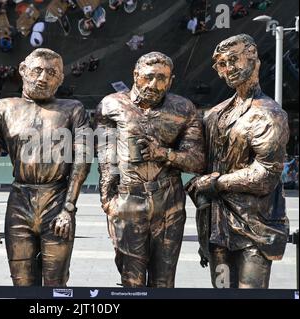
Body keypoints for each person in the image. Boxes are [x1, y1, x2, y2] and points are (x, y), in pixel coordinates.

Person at [0, 48, 92, 286]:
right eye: (37, 70)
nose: (43, 78)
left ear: (60, 79)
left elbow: (82, 159)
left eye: (51, 72)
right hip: (20, 200)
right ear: (23, 70)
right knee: (21, 282)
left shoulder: (73, 109)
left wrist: (68, 208)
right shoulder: (2, 108)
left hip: (57, 199)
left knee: (56, 282)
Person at [95, 52, 205, 287]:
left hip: (169, 204)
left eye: (162, 78)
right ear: (136, 75)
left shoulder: (184, 109)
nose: (154, 84)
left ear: (171, 80)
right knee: (131, 282)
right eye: (149, 77)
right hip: (127, 200)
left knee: (164, 282)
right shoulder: (111, 104)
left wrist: (163, 153)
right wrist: (107, 199)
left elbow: (197, 161)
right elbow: (105, 157)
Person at [191, 34, 289, 288]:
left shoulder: (269, 113)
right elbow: (201, 163)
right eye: (221, 65)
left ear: (253, 54)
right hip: (217, 229)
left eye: (233, 60)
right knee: (222, 290)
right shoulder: (214, 114)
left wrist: (216, 183)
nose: (228, 69)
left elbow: (266, 175)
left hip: (255, 229)